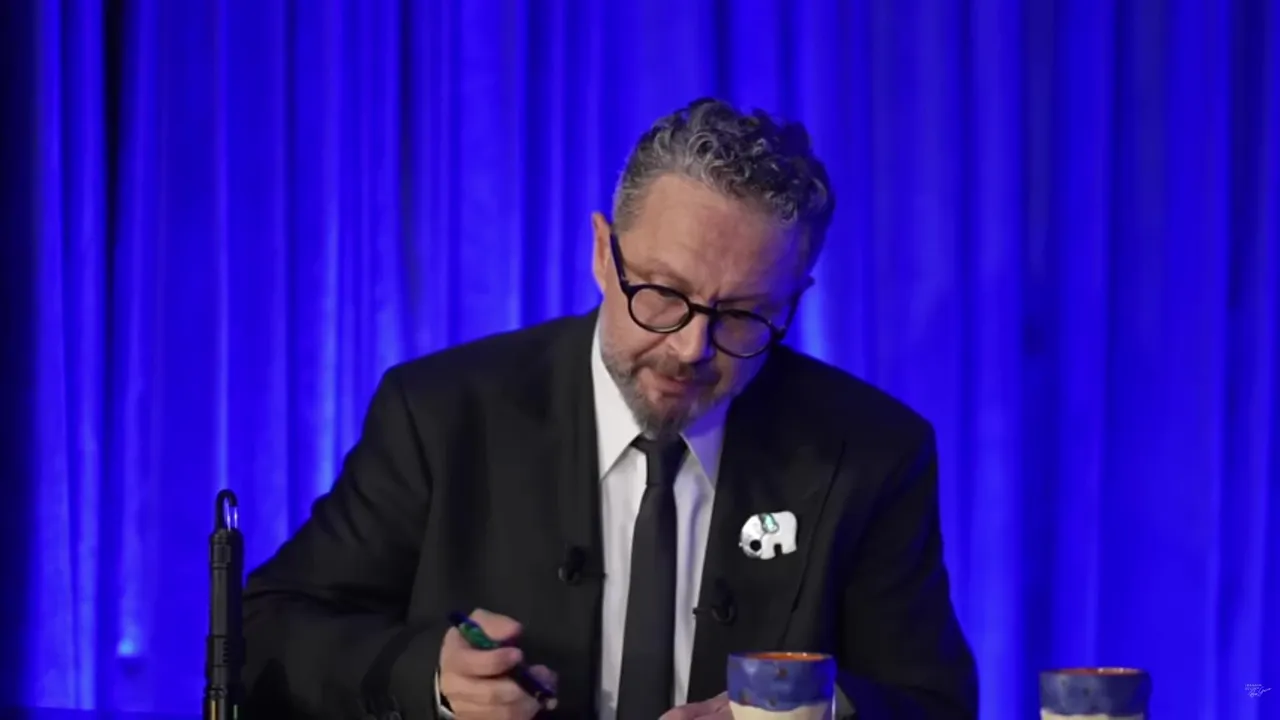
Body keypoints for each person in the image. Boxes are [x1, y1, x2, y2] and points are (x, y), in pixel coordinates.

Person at [243, 98, 978, 720]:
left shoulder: (871, 452)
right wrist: (429, 676)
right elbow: (266, 631)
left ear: (796, 300)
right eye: (662, 293)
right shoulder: (441, 415)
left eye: (744, 315)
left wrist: (795, 711)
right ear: (603, 253)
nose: (692, 348)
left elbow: (934, 702)